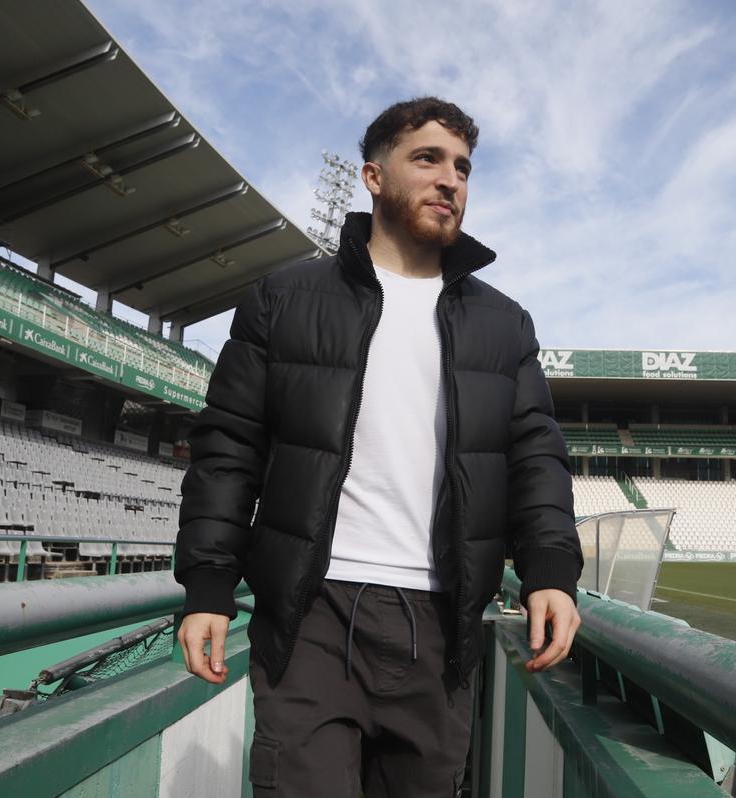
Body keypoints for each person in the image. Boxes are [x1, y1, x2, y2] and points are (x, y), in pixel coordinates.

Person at [174, 96, 582, 797]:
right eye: (427, 159)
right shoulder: (284, 297)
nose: (450, 179)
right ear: (372, 176)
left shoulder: (504, 324)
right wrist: (208, 585)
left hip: (441, 624)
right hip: (310, 616)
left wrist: (549, 570)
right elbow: (228, 447)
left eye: (463, 167)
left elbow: (534, 457)